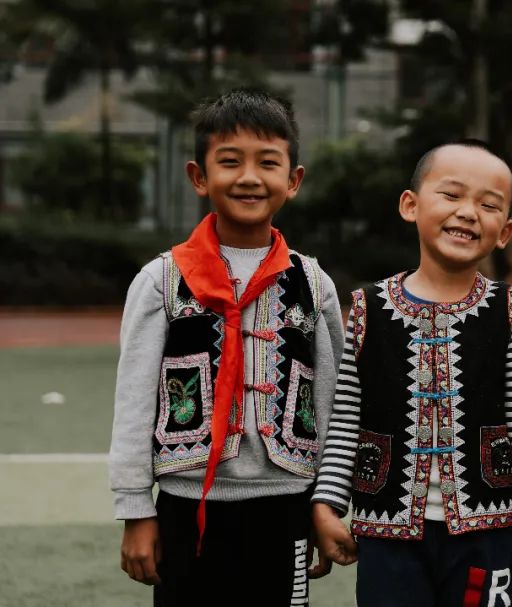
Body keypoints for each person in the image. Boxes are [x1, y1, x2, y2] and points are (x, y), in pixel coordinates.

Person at [108, 88, 344, 606]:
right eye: (230, 161)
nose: (249, 177)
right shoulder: (161, 280)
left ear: (293, 180)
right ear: (199, 176)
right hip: (186, 503)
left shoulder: (314, 283)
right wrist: (135, 509)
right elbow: (133, 401)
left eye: (268, 162)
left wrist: (326, 501)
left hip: (287, 503)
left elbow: (333, 398)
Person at [310, 139, 512, 607]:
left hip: (487, 528)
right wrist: (326, 503)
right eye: (451, 194)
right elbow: (346, 418)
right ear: (411, 205)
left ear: (505, 231)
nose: (468, 212)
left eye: (488, 205)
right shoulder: (367, 308)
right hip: (385, 528)